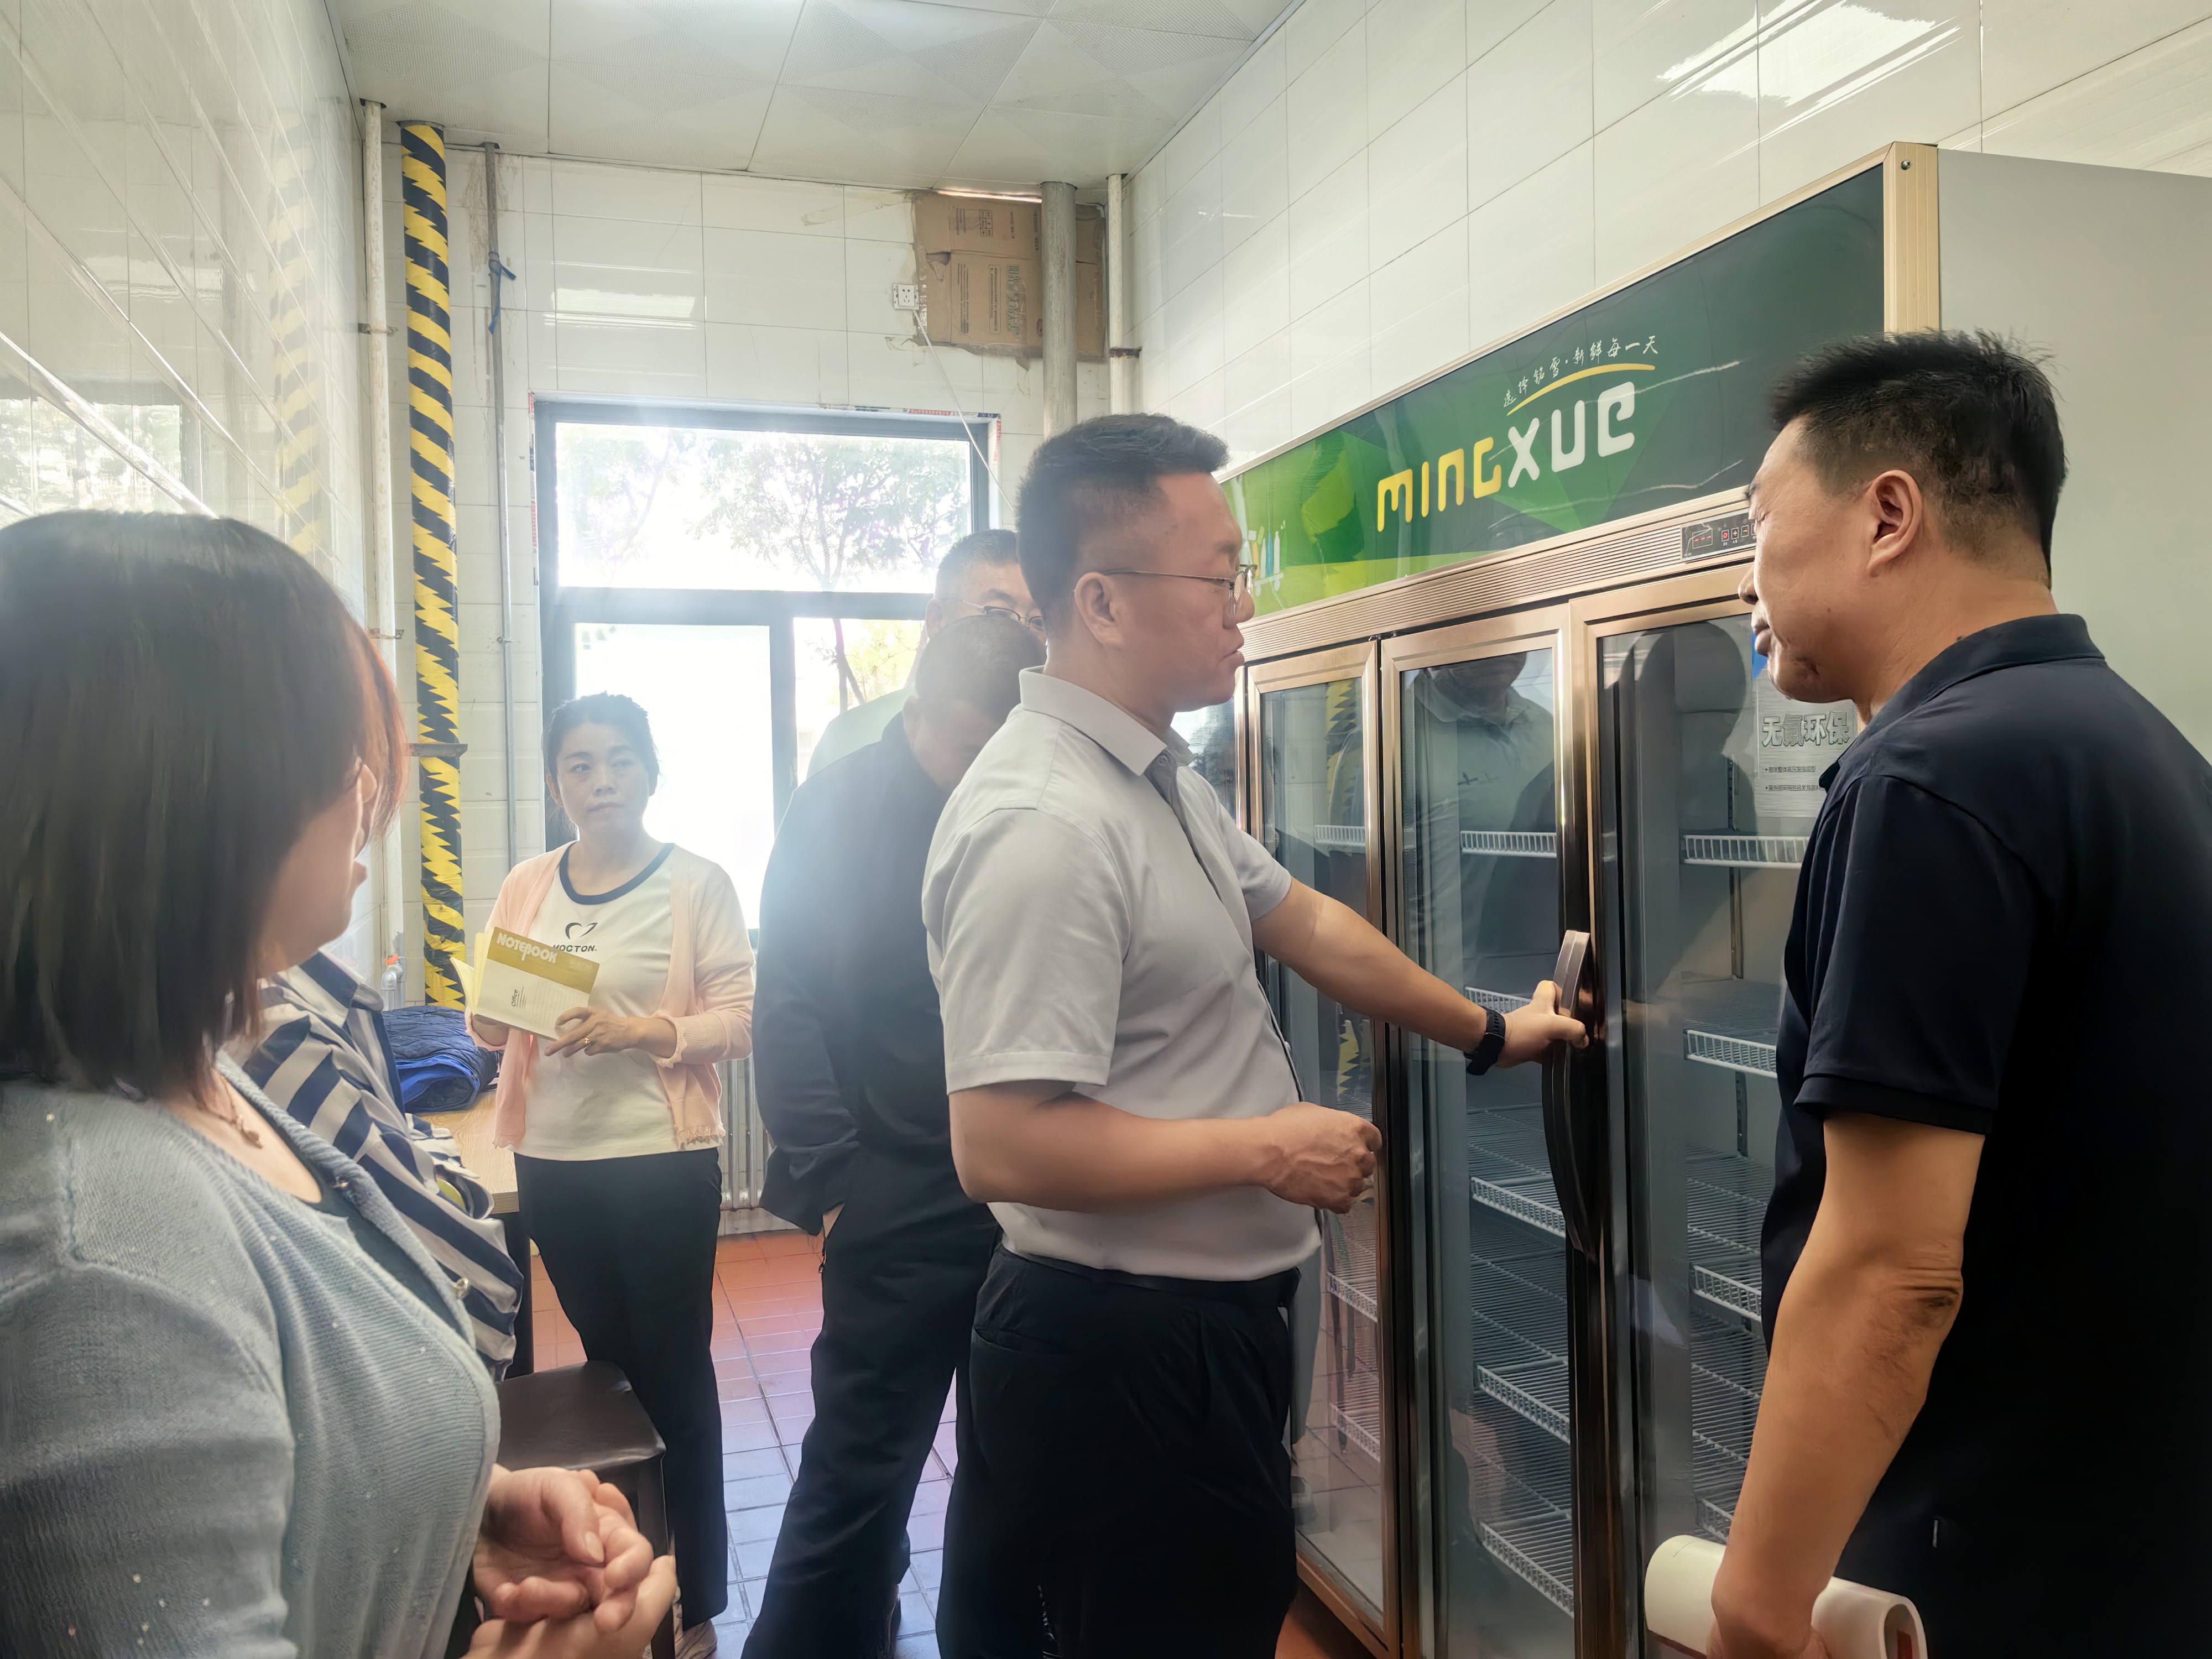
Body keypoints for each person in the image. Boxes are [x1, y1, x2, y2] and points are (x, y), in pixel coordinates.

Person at [921, 415, 1587, 1658]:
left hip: (1193, 1334)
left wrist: (1491, 1031)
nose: (1242, 608)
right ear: (1102, 602)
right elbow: (1001, 1145)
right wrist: (1267, 1149)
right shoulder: (1045, 821)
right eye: (1218, 576)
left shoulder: (1152, 778)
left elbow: (1307, 922)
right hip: (1115, 1348)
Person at [0, 510, 672, 1658]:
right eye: (342, 755)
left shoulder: (212, 1087)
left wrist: (452, 1516)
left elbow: (280, 1447)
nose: (373, 794)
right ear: (201, 794)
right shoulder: (99, 1256)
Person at [1709, 332, 2212, 1659]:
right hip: (2132, 1535)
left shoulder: (1924, 782)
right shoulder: (2151, 754)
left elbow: (1892, 1268)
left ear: (1887, 514)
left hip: (1973, 1559)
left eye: (1757, 523)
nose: (1745, 577)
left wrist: (1760, 1595)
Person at [743, 613, 1047, 1659]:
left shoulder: (1033, 801)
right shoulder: (840, 808)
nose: (984, 771)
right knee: (860, 1471)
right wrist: (839, 1181)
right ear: (915, 712)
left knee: (1018, 1478)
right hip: (900, 1190)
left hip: (1032, 1191)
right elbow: (785, 1000)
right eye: (967, 746)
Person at [472, 692, 756, 1658]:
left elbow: (741, 1020)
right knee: (609, 1372)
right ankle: (625, 1572)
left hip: (659, 1162)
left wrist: (640, 1030)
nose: (601, 781)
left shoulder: (696, 883)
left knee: (674, 1375)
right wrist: (499, 1011)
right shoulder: (529, 884)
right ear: (557, 784)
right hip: (554, 1164)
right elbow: (488, 1023)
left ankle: (696, 1598)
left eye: (620, 760)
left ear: (651, 771)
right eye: (580, 765)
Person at [242, 947, 528, 1373]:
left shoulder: (314, 1002)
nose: (358, 874)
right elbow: (474, 1275)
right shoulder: (280, 1035)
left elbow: (398, 1138)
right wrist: (431, 1162)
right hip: (411, 1361)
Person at [807, 528, 1042, 776]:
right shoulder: (847, 741)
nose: (1023, 633)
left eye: (1039, 621)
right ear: (937, 619)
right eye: (997, 613)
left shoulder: (1055, 735)